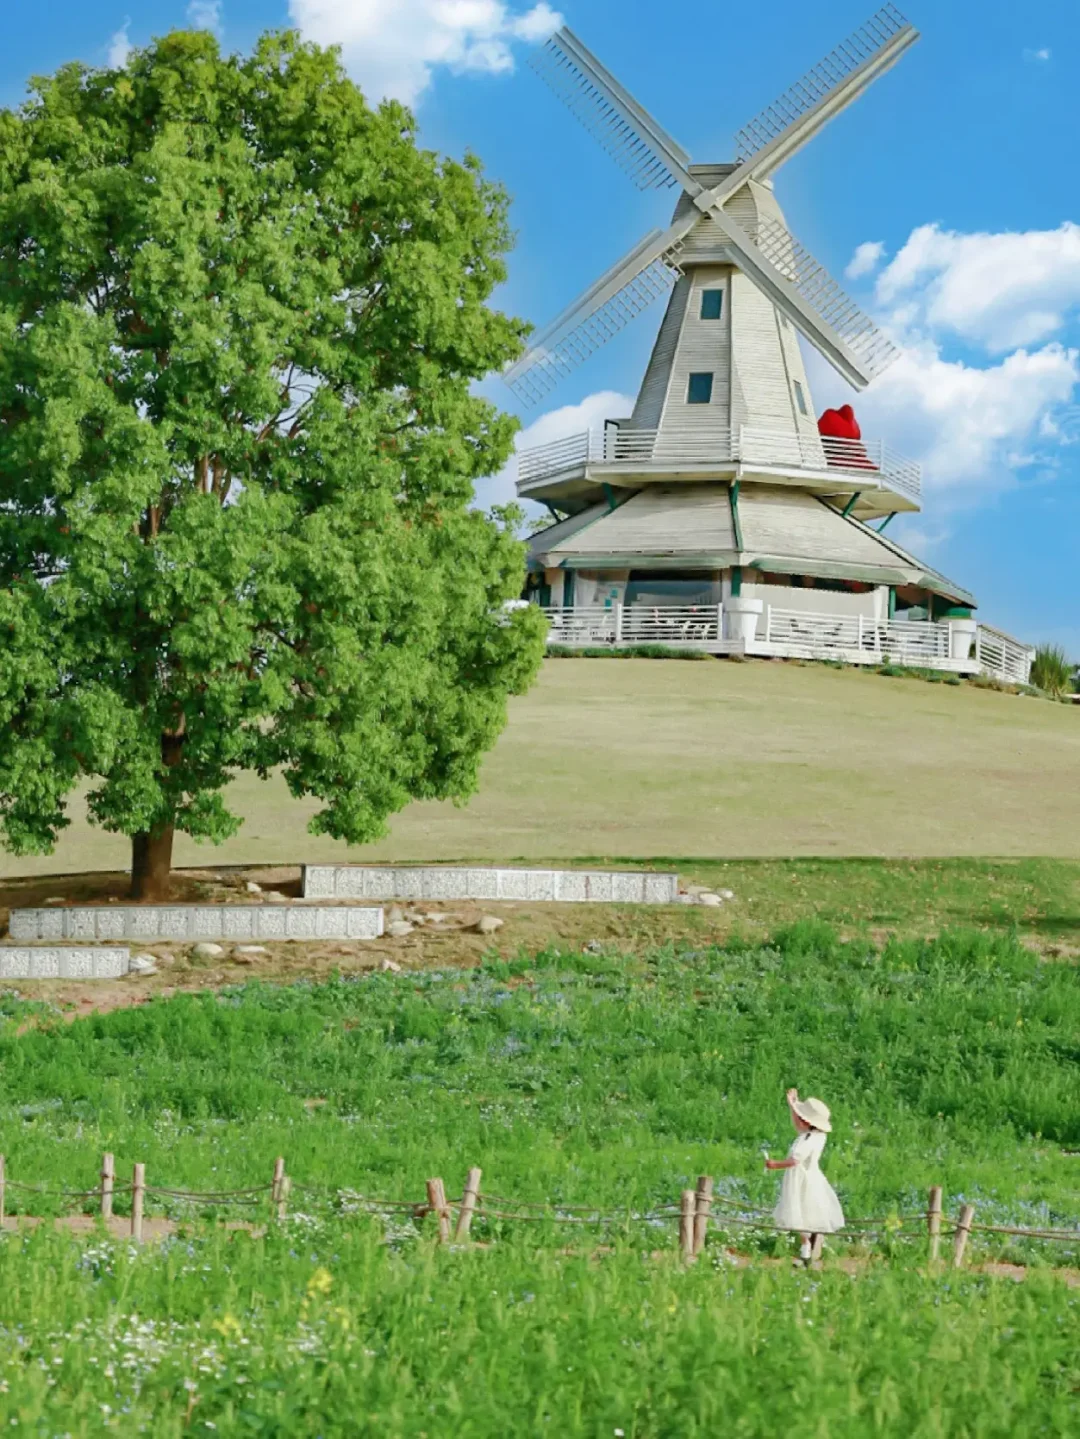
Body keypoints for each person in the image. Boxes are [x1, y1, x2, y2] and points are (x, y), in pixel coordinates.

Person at [764, 1087, 844, 1266]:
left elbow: (795, 1160)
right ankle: (806, 1251)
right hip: (809, 1176)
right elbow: (798, 1125)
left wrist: (774, 1164)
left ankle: (806, 1249)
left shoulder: (808, 1140)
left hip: (801, 1179)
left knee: (799, 1211)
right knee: (804, 1211)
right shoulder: (814, 1135)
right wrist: (793, 1105)